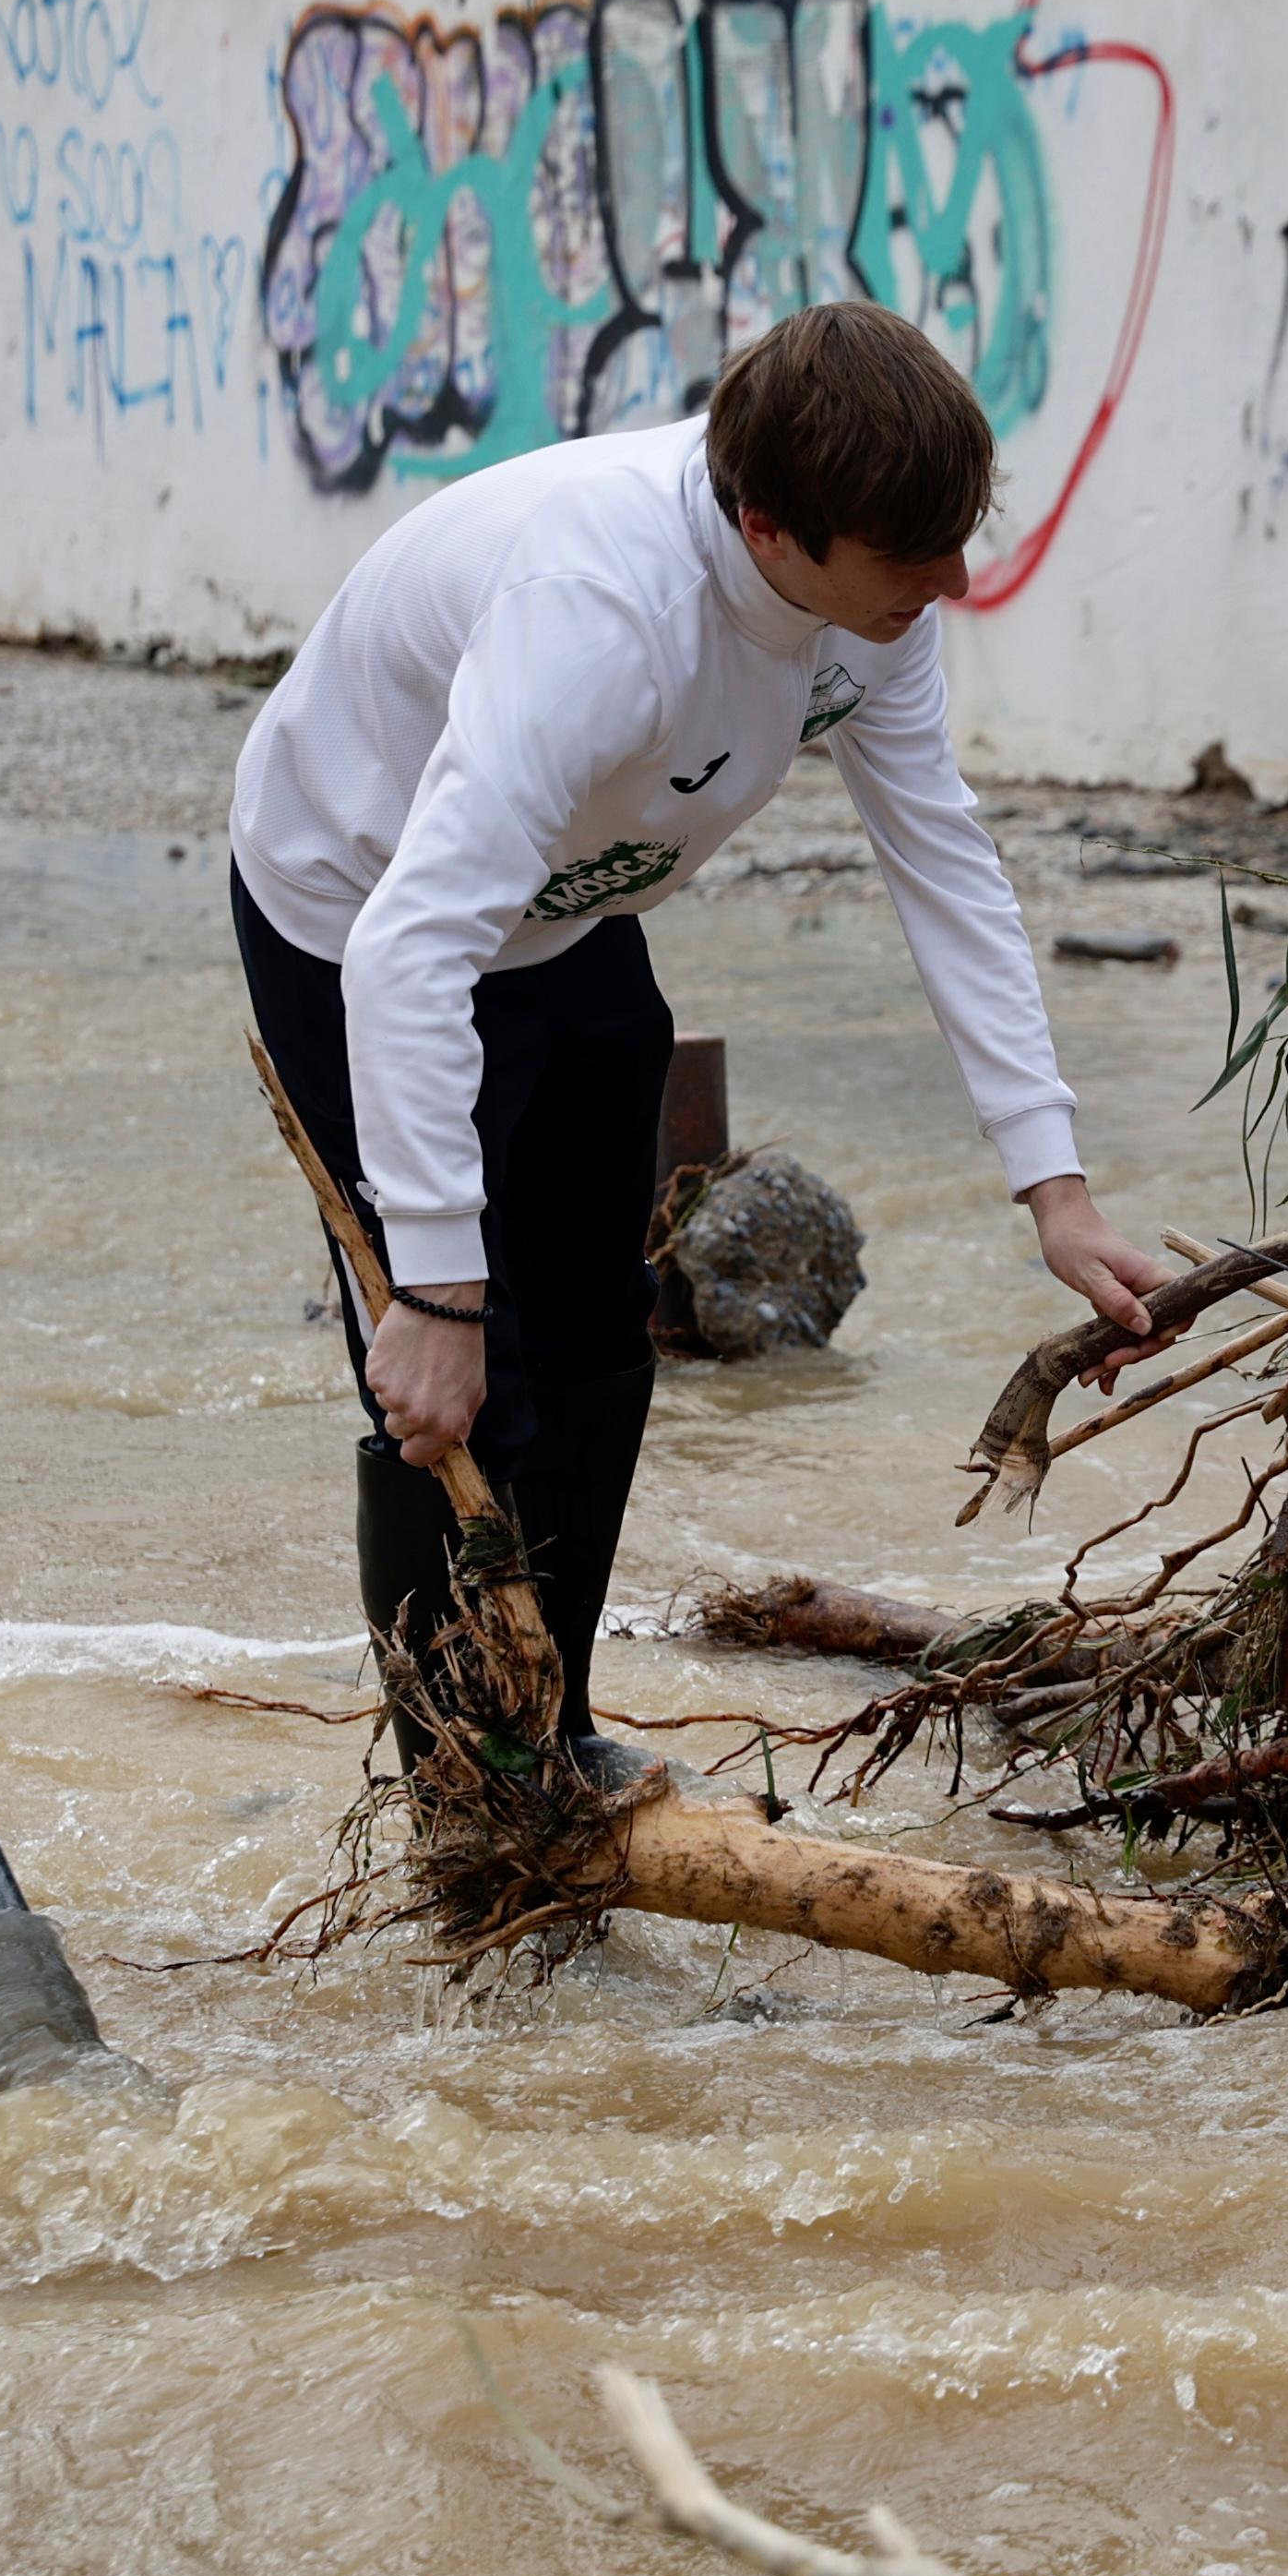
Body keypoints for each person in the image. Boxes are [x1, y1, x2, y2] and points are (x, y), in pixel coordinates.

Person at [225, 301, 1170, 1775]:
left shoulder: (872, 603)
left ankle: (563, 1726)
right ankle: (468, 1797)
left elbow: (943, 858)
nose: (954, 581)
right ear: (770, 524)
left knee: (601, 1326)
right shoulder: (600, 620)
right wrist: (431, 1285)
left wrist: (1054, 1188)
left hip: (567, 917)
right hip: (355, 914)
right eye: (912, 557)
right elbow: (413, 950)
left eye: (955, 539)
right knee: (461, 1381)